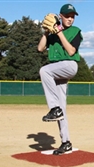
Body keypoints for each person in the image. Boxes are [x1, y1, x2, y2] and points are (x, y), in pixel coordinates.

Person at [37, 4, 83, 155]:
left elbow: (71, 51)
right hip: (56, 71)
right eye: (67, 16)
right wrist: (45, 33)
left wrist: (60, 32)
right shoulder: (51, 34)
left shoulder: (75, 32)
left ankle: (54, 108)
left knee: (44, 71)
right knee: (61, 109)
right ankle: (66, 142)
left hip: (69, 65)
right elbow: (40, 49)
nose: (70, 19)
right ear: (60, 16)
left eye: (72, 16)